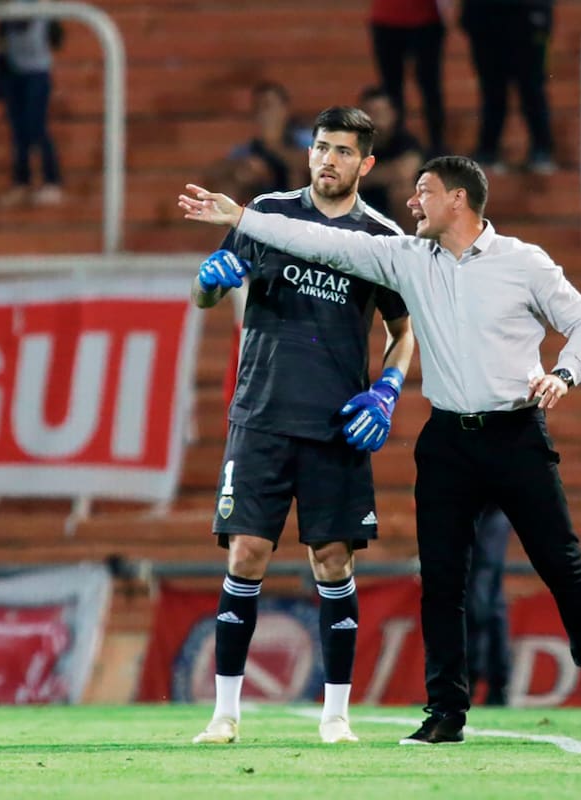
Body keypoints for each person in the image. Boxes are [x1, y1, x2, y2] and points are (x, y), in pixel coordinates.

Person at [178, 155, 581, 747]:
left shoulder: (523, 263)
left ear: (459, 201)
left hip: (517, 435)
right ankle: (446, 712)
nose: (412, 204)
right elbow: (313, 238)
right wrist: (241, 216)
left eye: (424, 193)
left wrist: (564, 374)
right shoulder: (407, 259)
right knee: (443, 583)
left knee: (564, 570)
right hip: (447, 440)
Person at [189, 106, 415, 746]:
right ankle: (224, 714)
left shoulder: (381, 239)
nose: (328, 160)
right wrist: (209, 283)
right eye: (321, 148)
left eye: (343, 152)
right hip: (260, 414)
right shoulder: (268, 213)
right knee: (247, 553)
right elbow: (210, 292)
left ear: (365, 164)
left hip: (336, 425)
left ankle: (336, 716)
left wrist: (388, 389)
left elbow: (404, 332)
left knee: (333, 559)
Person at [0, 4, 65, 208]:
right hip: (13, 72)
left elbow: (55, 38)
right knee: (18, 131)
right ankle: (21, 182)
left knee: (36, 127)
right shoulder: (5, 12)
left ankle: (52, 181)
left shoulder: (41, 11)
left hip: (37, 73)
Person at [461, 0, 556, 174]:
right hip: (484, 15)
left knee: (532, 87)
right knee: (492, 88)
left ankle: (542, 149)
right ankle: (488, 149)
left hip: (529, 14)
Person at [203, 82, 313, 204]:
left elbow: (312, 163)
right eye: (258, 107)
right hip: (266, 206)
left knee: (297, 171)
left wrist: (273, 146)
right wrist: (244, 167)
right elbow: (212, 174)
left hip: (304, 207)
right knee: (235, 178)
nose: (263, 113)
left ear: (284, 109)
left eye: (267, 106)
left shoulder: (303, 137)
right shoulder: (250, 148)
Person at [367, 0, 449, 156]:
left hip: (425, 20)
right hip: (387, 19)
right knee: (392, 88)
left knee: (429, 85)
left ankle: (436, 144)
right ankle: (394, 144)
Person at [357, 86, 425, 228]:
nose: (375, 119)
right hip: (359, 203)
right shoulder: (352, 143)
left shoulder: (404, 141)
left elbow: (404, 172)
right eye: (369, 113)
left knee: (404, 192)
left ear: (392, 114)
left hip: (389, 204)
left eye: (380, 113)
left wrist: (363, 176)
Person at [466, 504, 512, 707]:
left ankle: (471, 677)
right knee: (488, 595)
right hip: (486, 505)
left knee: (480, 595)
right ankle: (495, 682)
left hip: (486, 506)